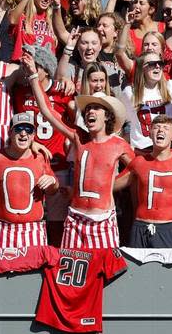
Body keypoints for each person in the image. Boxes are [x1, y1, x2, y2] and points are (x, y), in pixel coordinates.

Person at [25, 47, 134, 248]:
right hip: (75, 218)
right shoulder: (79, 137)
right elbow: (48, 112)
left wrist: (109, 185)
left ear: (108, 116)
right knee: (72, 271)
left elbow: (137, 172)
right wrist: (33, 75)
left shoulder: (119, 144)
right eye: (88, 108)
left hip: (104, 220)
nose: (90, 112)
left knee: (104, 271)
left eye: (96, 108)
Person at [0, 112, 58, 248]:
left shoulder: (40, 158)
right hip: (4, 230)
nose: (23, 133)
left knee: (35, 269)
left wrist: (52, 181)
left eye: (28, 130)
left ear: (33, 136)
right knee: (1, 268)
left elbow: (53, 190)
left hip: (33, 230)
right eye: (18, 129)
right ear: (10, 133)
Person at [123, 115, 172, 248]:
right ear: (149, 133)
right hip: (140, 226)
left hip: (168, 227)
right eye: (156, 127)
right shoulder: (139, 162)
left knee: (170, 269)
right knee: (138, 269)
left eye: (166, 128)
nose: (160, 131)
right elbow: (111, 185)